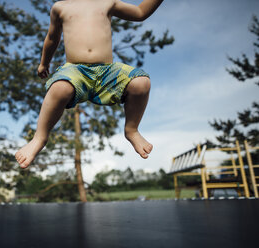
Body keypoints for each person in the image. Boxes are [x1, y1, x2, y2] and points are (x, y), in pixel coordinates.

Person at [15, 0, 163, 168]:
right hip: (76, 71)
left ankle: (132, 130)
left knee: (141, 83)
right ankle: (39, 138)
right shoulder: (60, 7)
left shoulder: (107, 3)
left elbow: (140, 12)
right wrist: (44, 63)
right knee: (60, 87)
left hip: (107, 71)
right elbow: (52, 38)